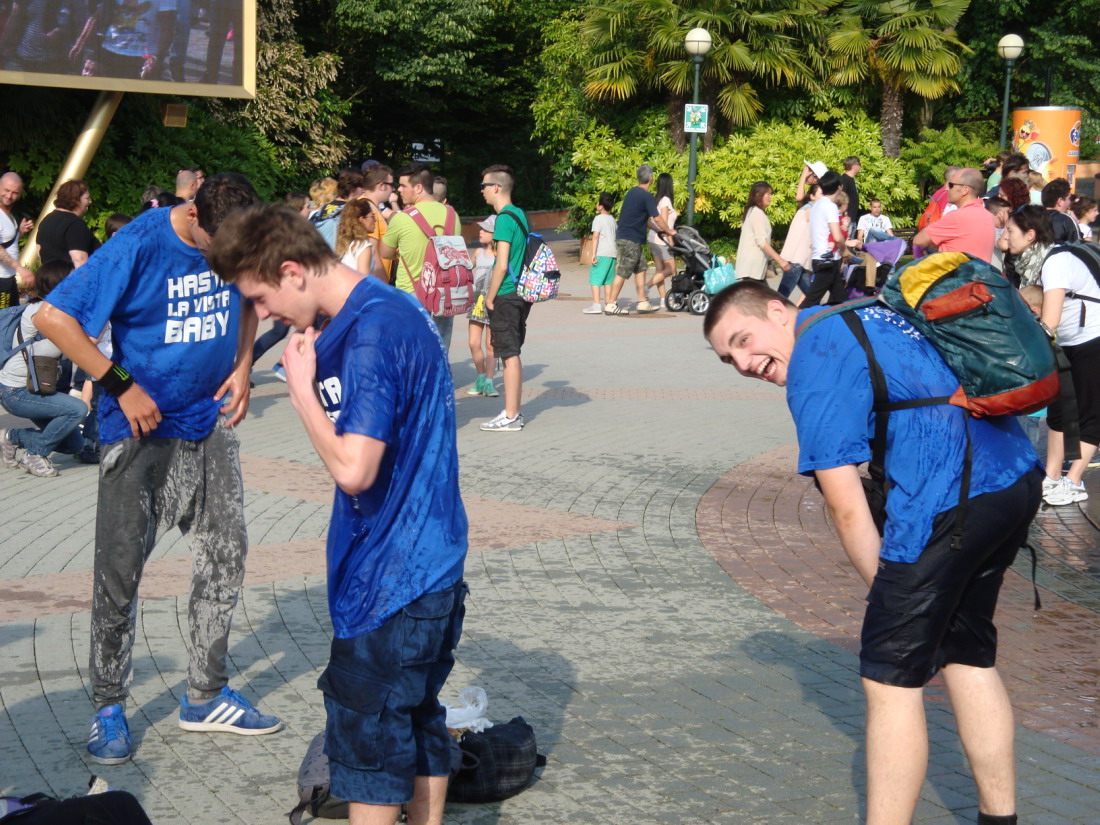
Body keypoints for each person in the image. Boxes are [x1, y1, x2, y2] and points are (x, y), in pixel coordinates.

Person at [704, 279, 1041, 825]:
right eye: (728, 359)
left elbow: (846, 508)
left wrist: (890, 597)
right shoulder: (868, 310)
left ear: (777, 310)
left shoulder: (815, 356)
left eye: (743, 341)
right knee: (966, 650)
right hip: (1013, 476)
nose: (742, 363)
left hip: (948, 499)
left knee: (889, 678)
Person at [208, 202, 469, 825]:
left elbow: (355, 469)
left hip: (392, 577)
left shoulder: (371, 332)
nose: (264, 315)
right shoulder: (384, 308)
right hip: (428, 564)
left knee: (367, 742)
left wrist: (301, 391)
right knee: (417, 719)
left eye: (261, 299)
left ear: (292, 271)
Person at [34, 173, 281, 766]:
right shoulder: (140, 243)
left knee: (226, 556)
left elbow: (253, 298)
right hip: (139, 431)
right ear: (193, 214)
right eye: (219, 248)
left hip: (208, 424)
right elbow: (52, 318)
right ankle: (108, 706)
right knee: (119, 572)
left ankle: (206, 695)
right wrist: (122, 386)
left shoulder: (238, 236)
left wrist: (243, 366)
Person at [1004, 205, 1100, 506]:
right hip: (1070, 342)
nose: (1005, 237)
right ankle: (1052, 476)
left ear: (1030, 235)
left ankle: (1074, 481)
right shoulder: (1038, 261)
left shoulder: (1055, 261)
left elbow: (1050, 321)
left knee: (1089, 413)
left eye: (1010, 231)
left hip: (1092, 339)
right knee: (1060, 412)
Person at [0, 260, 87, 477]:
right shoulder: (43, 313)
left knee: (73, 445)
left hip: (35, 388)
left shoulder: (58, 310)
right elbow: (81, 344)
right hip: (16, 392)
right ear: (60, 283)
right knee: (77, 409)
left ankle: (11, 437)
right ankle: (35, 454)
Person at [379, 162, 456, 351]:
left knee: (412, 350)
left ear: (419, 188)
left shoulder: (402, 218)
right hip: (445, 292)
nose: (399, 190)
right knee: (441, 348)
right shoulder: (451, 214)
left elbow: (385, 253)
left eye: (403, 185)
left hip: (411, 293)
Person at [480, 164, 530, 431]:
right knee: (512, 353)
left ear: (496, 187)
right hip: (521, 292)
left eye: (484, 186)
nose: (482, 191)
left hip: (506, 293)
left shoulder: (503, 219)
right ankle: (513, 412)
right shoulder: (519, 214)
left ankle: (511, 415)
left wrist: (490, 297)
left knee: (508, 355)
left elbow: (501, 265)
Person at [603, 164, 671, 316]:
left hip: (627, 237)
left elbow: (646, 220)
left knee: (641, 268)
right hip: (630, 239)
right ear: (651, 178)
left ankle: (642, 302)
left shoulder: (632, 192)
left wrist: (659, 231)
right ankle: (611, 303)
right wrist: (668, 230)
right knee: (623, 271)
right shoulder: (646, 196)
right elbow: (657, 218)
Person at [911, 168, 994, 262]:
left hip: (956, 270)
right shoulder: (988, 215)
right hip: (980, 270)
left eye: (951, 185)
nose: (946, 188)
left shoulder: (956, 217)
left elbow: (918, 240)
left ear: (965, 190)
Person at [802, 171, 849, 306]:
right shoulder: (830, 206)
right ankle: (795, 318)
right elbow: (837, 236)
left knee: (840, 299)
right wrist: (845, 250)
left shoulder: (817, 204)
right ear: (839, 187)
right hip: (826, 261)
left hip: (823, 259)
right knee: (811, 301)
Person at [466, 215, 498, 396]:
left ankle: (489, 382)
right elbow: (465, 269)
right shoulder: (478, 252)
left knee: (490, 344)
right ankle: (480, 377)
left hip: (493, 302)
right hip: (477, 301)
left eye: (486, 230)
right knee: (473, 342)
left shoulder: (500, 256)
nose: (480, 232)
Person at [36, 179, 100, 268]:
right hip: (70, 275)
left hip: (49, 274)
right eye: (87, 198)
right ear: (75, 200)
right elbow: (79, 260)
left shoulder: (46, 220)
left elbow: (39, 252)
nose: (90, 201)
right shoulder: (75, 223)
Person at [736, 181, 789, 282]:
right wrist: (780, 260)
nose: (770, 197)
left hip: (753, 269)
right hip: (752, 270)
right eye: (768, 194)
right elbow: (761, 241)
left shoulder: (753, 211)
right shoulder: (756, 213)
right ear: (758, 195)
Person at [777, 184, 818, 301]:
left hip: (798, 261)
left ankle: (814, 312)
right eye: (822, 194)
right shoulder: (810, 209)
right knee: (781, 297)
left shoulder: (807, 208)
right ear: (812, 196)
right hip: (796, 261)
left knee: (811, 297)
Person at [0, 171, 35, 306]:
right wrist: (20, 269)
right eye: (6, 190)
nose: (9, 196)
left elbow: (6, 244)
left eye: (14, 192)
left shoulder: (7, 214)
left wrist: (20, 232)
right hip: (1, 280)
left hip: (8, 279)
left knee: (12, 315)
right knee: (4, 317)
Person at [360, 164, 395, 283]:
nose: (393, 189)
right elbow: (372, 250)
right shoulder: (369, 211)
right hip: (375, 281)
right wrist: (383, 283)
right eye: (391, 185)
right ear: (382, 186)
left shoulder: (364, 206)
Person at [645, 173, 678, 301]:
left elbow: (650, 221)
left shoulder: (656, 200)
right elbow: (663, 221)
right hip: (662, 239)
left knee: (660, 270)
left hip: (653, 238)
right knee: (671, 269)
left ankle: (663, 300)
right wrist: (669, 237)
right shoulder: (665, 200)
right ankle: (646, 287)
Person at [585, 192, 617, 314]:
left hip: (602, 252)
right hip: (612, 253)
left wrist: (593, 254)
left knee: (595, 278)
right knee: (608, 280)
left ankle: (596, 304)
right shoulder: (612, 219)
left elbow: (595, 236)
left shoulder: (598, 219)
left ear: (601, 206)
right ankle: (608, 303)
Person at [335, 198, 379, 277]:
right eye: (372, 216)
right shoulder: (364, 246)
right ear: (362, 220)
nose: (375, 220)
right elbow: (364, 279)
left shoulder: (346, 244)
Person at [1041, 178, 1081, 243]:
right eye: (1070, 198)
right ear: (1060, 201)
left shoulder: (1032, 218)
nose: (1070, 202)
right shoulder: (1066, 220)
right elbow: (1078, 245)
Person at [984, 197, 1011, 273]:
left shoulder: (982, 226)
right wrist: (1007, 223)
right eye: (1007, 213)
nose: (1009, 216)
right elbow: (1003, 245)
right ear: (1000, 214)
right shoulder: (990, 228)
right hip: (991, 274)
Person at [840, 156, 861, 230]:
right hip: (847, 220)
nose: (860, 167)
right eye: (859, 164)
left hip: (852, 219)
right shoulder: (845, 179)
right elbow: (841, 198)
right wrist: (845, 213)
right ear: (854, 166)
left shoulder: (850, 179)